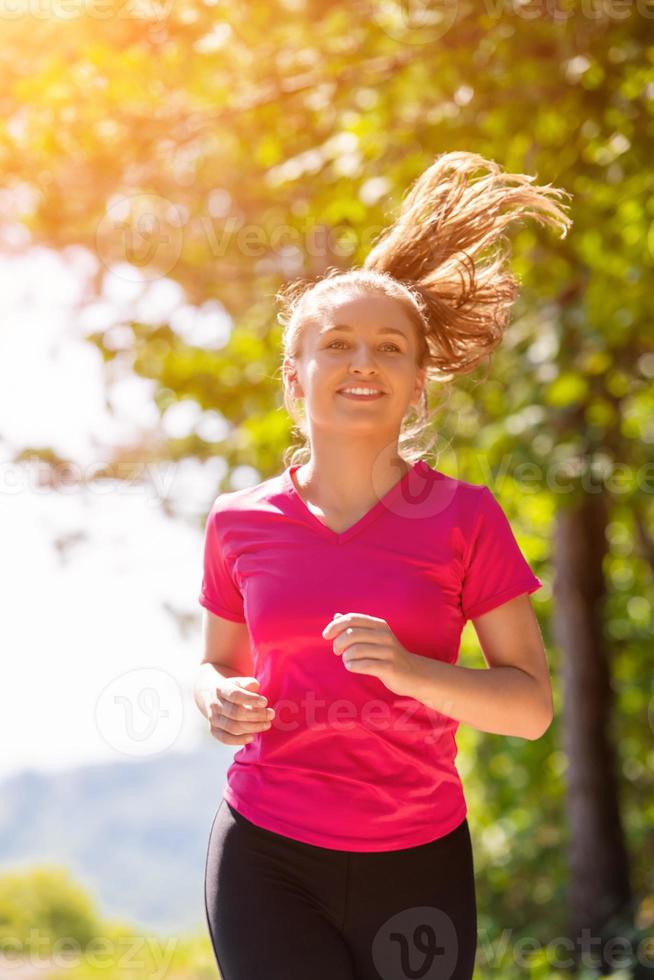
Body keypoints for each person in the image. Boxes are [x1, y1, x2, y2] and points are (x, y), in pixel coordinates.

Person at [194, 150, 572, 980]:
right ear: (297, 379)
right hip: (267, 851)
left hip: (418, 859)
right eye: (338, 344)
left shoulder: (466, 517)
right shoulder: (237, 522)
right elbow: (219, 663)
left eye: (390, 347)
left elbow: (530, 707)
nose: (363, 361)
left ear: (417, 384)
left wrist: (408, 671)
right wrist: (213, 695)